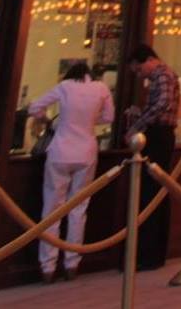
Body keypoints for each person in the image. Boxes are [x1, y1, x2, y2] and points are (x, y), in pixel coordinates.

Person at [27, 60, 114, 283]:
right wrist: (91, 121)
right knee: (78, 209)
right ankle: (72, 263)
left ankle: (47, 265)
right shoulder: (101, 89)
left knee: (52, 208)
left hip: (60, 151)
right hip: (86, 151)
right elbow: (109, 117)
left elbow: (35, 107)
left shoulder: (65, 87)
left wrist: (50, 121)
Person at [125, 43, 180, 271]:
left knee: (152, 193)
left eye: (139, 70)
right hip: (157, 134)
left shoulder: (163, 75)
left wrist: (137, 125)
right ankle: (148, 252)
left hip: (158, 137)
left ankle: (151, 254)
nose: (140, 76)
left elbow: (162, 104)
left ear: (147, 60)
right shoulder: (162, 76)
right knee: (153, 192)